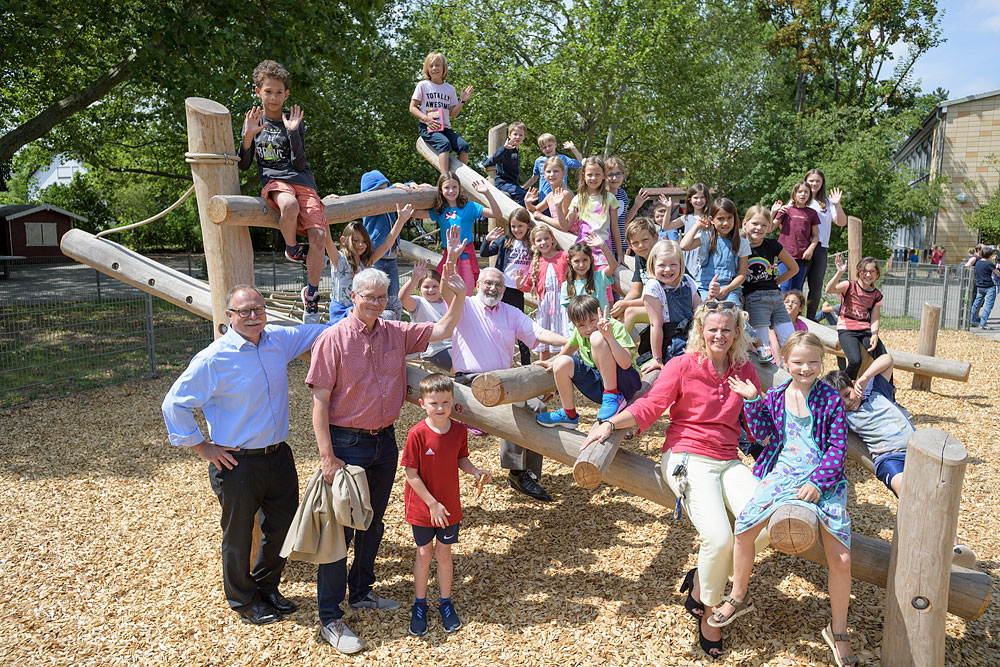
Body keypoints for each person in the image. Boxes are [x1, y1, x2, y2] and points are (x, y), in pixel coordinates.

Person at [581, 301, 767, 659]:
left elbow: (758, 427)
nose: (719, 335)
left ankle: (700, 581)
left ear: (737, 332)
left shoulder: (744, 369)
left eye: (727, 329)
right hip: (687, 454)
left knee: (764, 524)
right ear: (701, 331)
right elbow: (651, 405)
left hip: (729, 458)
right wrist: (609, 423)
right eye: (713, 329)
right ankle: (710, 614)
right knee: (718, 537)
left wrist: (756, 399)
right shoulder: (683, 365)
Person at [306, 251, 468, 655]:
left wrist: (459, 295)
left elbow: (445, 326)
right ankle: (330, 615)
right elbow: (320, 403)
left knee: (372, 522)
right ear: (353, 295)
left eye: (382, 297)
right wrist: (327, 456)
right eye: (369, 297)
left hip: (384, 441)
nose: (376, 303)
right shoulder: (332, 339)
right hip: (346, 443)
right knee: (339, 528)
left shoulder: (396, 331)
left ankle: (361, 591)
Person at [161, 285, 328, 625]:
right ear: (229, 316)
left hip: (279, 455)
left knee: (284, 528)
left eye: (258, 309)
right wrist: (203, 447)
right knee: (237, 534)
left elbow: (322, 331)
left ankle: (267, 588)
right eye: (245, 311)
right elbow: (174, 404)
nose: (253, 317)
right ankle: (242, 600)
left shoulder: (277, 340)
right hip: (236, 462)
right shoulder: (213, 358)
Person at [719, 331, 855, 666]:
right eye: (798, 362)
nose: (806, 368)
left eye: (813, 362)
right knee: (744, 529)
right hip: (783, 472)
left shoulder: (830, 398)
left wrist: (820, 483)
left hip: (824, 478)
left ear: (821, 363)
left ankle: (838, 629)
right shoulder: (777, 395)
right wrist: (752, 401)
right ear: (785, 362)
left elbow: (838, 448)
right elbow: (764, 436)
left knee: (841, 559)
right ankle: (739, 595)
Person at [452, 267, 569, 501]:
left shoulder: (511, 312)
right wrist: (453, 259)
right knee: (515, 409)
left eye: (498, 285)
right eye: (488, 283)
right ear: (478, 284)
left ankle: (528, 474)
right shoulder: (464, 305)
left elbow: (539, 333)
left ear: (505, 289)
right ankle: (516, 469)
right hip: (469, 381)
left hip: (502, 381)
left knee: (539, 409)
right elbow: (447, 290)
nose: (493, 288)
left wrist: (573, 340)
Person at [238, 60, 328, 321]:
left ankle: (311, 294)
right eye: (268, 91)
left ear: (286, 94)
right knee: (289, 205)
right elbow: (244, 165)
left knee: (319, 236)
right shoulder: (252, 122)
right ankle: (291, 247)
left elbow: (299, 162)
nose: (274, 97)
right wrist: (247, 136)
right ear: (258, 92)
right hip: (275, 180)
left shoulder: (294, 121)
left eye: (279, 92)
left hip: (302, 180)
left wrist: (293, 133)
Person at [402, 373, 491, 636]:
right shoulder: (416, 434)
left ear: (452, 401)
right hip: (422, 508)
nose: (440, 408)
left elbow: (461, 459)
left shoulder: (460, 430)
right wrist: (432, 504)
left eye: (445, 402)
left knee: (444, 554)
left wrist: (474, 471)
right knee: (423, 554)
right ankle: (419, 604)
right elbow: (410, 474)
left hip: (450, 507)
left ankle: (445, 602)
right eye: (434, 403)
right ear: (422, 403)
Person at [535, 294, 642, 428]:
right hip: (601, 387)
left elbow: (626, 364)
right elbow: (571, 345)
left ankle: (613, 395)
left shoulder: (614, 327)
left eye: (592, 320)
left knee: (597, 337)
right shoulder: (580, 333)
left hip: (625, 384)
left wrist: (609, 337)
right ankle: (569, 414)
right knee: (561, 362)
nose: (589, 328)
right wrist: (553, 362)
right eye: (581, 325)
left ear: (601, 314)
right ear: (575, 326)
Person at [411, 172, 503, 295]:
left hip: (466, 258)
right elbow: (413, 212)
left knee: (466, 294)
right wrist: (416, 187)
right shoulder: (439, 210)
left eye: (454, 187)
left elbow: (497, 214)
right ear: (440, 190)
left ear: (459, 188)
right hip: (448, 258)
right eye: (446, 187)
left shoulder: (470, 207)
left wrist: (487, 193)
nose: (451, 191)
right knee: (446, 294)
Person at [325, 206, 414, 323]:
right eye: (355, 240)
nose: (360, 244)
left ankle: (390, 336)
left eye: (364, 241)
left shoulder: (365, 262)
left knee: (394, 302)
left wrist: (400, 220)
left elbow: (387, 244)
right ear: (343, 240)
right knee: (388, 316)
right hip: (344, 313)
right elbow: (327, 239)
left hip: (361, 308)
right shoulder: (339, 260)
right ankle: (386, 336)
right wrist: (324, 210)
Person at [359, 170, 431, 297]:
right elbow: (379, 198)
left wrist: (410, 184)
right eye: (381, 190)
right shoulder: (369, 207)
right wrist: (394, 187)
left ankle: (393, 315)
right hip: (376, 256)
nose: (386, 193)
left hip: (391, 257)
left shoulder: (391, 204)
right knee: (378, 293)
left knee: (393, 295)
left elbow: (397, 195)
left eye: (387, 189)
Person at [480, 207, 535, 366]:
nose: (516, 229)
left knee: (519, 327)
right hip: (499, 290)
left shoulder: (532, 244)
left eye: (520, 226)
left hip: (517, 291)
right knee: (495, 325)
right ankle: (493, 360)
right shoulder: (505, 241)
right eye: (513, 226)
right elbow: (484, 253)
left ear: (528, 225)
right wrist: (487, 239)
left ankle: (526, 364)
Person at [742, 205, 798, 359]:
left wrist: (774, 282)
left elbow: (794, 268)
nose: (759, 228)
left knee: (791, 341)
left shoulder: (772, 245)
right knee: (762, 346)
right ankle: (766, 381)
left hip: (776, 298)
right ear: (744, 224)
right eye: (755, 223)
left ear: (769, 227)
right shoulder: (740, 246)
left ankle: (791, 374)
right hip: (755, 300)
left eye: (764, 225)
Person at [639, 239, 701, 372]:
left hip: (693, 333)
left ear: (680, 264)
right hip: (673, 338)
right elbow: (656, 325)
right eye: (662, 265)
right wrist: (657, 358)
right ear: (653, 265)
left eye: (673, 264)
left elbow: (700, 312)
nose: (667, 269)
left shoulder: (687, 281)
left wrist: (712, 296)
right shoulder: (654, 287)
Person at [409, 51, 473, 174]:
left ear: (444, 68)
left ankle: (459, 178)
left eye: (437, 65)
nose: (434, 68)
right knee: (444, 144)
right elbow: (412, 107)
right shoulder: (423, 85)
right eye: (431, 66)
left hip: (444, 128)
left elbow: (453, 114)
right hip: (428, 126)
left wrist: (462, 101)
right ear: (427, 69)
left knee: (463, 146)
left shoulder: (449, 88)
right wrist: (425, 118)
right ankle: (446, 178)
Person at [826, 254, 887, 379]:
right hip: (847, 329)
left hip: (865, 330)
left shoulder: (876, 295)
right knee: (855, 360)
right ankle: (844, 384)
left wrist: (874, 335)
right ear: (859, 272)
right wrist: (839, 273)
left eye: (872, 271)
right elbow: (829, 289)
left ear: (877, 273)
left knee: (884, 358)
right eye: (864, 271)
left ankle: (888, 391)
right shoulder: (849, 285)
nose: (868, 275)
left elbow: (875, 318)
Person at [679, 197, 750, 304]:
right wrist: (697, 226)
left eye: (729, 218)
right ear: (712, 220)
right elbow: (684, 246)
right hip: (704, 287)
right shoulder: (706, 237)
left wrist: (727, 289)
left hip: (729, 289)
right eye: (720, 219)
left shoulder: (742, 243)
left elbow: (741, 275)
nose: (726, 223)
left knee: (733, 315)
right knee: (702, 312)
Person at [558, 156, 624, 269]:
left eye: (597, 174)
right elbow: (565, 226)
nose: (594, 178)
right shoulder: (578, 199)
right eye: (590, 174)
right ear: (583, 176)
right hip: (582, 252)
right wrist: (558, 207)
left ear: (603, 175)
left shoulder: (610, 198)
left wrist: (620, 254)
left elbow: (615, 227)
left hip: (603, 252)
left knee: (603, 284)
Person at [519, 225, 570, 361]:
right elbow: (528, 285)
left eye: (546, 238)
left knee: (567, 335)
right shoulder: (537, 261)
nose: (543, 242)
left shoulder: (564, 256)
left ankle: (568, 363)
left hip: (564, 303)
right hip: (546, 305)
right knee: (545, 340)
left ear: (552, 239)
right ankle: (543, 366)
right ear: (534, 244)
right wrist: (520, 285)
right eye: (539, 240)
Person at [803, 169, 848, 320]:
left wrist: (837, 204)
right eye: (811, 180)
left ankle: (810, 321)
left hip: (820, 248)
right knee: (795, 286)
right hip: (801, 247)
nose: (814, 184)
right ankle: (792, 320)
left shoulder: (827, 202)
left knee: (815, 289)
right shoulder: (799, 198)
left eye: (818, 181)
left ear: (822, 183)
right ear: (806, 181)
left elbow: (842, 222)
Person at [399, 260, 453, 371]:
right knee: (463, 363)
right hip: (434, 350)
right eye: (426, 287)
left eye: (435, 286)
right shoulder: (419, 303)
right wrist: (415, 278)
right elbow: (402, 298)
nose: (430, 290)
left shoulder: (448, 302)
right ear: (419, 289)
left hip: (455, 345)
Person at [610, 217, 658, 336]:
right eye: (635, 243)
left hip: (672, 307)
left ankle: (615, 350)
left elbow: (657, 297)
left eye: (645, 240)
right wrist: (619, 307)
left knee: (630, 312)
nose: (641, 245)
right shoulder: (640, 257)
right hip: (654, 305)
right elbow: (636, 291)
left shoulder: (661, 258)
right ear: (630, 245)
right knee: (620, 312)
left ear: (655, 237)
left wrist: (626, 304)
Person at [772, 182, 819, 293]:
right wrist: (773, 211)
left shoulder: (812, 213)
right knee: (785, 287)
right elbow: (769, 228)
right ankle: (782, 310)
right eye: (800, 192)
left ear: (809, 195)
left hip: (802, 257)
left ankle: (796, 311)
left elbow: (816, 236)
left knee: (797, 290)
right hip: (785, 255)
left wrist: (810, 250)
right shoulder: (786, 210)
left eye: (806, 192)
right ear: (794, 194)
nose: (803, 194)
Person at [662, 183, 712, 278]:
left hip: (703, 255)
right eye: (695, 198)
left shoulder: (710, 217)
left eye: (702, 197)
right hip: (688, 256)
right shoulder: (686, 217)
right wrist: (668, 209)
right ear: (690, 199)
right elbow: (666, 226)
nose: (699, 200)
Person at [561, 238, 619, 311]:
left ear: (591, 259)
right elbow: (572, 314)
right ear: (569, 262)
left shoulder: (599, 277)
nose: (581, 265)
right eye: (576, 261)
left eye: (585, 260)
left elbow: (613, 265)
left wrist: (603, 246)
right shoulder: (567, 286)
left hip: (602, 322)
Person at [523, 133, 583, 199]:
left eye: (549, 145)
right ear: (541, 149)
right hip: (544, 197)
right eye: (544, 147)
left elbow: (580, 163)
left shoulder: (563, 159)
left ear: (555, 144)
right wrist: (522, 188)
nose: (547, 148)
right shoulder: (539, 161)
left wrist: (573, 148)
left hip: (560, 196)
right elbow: (534, 178)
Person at [483, 121, 528, 205]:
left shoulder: (515, 151)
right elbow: (489, 162)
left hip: (513, 183)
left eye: (520, 135)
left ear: (524, 137)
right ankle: (520, 216)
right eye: (515, 134)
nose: (517, 137)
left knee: (529, 197)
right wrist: (504, 148)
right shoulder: (505, 150)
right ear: (509, 135)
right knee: (523, 196)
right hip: (503, 184)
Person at [525, 156, 573, 229]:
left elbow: (563, 225)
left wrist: (542, 217)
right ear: (544, 174)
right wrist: (528, 203)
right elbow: (535, 210)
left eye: (556, 171)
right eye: (548, 171)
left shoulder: (566, 194)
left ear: (563, 173)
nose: (552, 174)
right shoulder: (550, 196)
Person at [970, 247, 1000, 329]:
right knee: (988, 306)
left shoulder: (978, 263)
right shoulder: (989, 264)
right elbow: (998, 274)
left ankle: (972, 320)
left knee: (976, 304)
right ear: (989, 255)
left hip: (980, 286)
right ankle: (983, 323)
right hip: (989, 287)